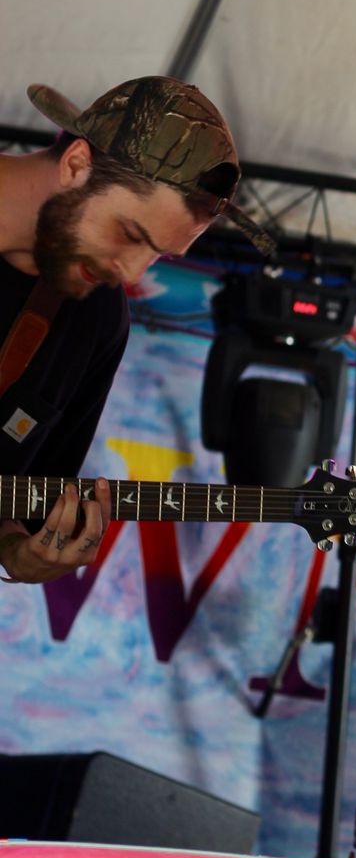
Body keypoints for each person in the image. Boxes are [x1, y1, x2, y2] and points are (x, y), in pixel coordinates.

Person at [0, 76, 273, 584]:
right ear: (75, 165)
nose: (130, 272)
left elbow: (19, 495)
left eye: (159, 254)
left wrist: (17, 549)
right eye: (129, 233)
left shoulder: (95, 319)